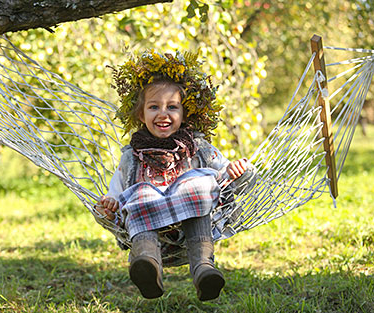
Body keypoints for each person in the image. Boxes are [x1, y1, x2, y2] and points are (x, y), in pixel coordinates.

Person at [96, 50, 255, 301]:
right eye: (153, 107)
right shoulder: (131, 156)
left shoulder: (198, 147)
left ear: (183, 114)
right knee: (139, 195)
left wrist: (237, 172)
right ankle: (147, 266)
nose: (163, 114)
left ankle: (204, 270)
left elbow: (224, 177)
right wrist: (111, 202)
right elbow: (118, 188)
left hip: (190, 222)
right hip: (150, 223)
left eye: (172, 107)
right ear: (141, 115)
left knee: (198, 188)